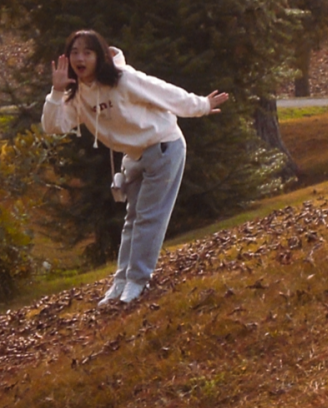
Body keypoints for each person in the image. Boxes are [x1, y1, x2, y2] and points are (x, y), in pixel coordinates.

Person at [42, 29, 229, 305]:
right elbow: (52, 126)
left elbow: (162, 92)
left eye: (87, 52)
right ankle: (121, 281)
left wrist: (200, 105)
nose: (80, 58)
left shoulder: (123, 80)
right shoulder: (78, 95)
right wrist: (57, 92)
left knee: (148, 217)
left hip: (164, 148)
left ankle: (138, 281)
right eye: (74, 52)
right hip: (133, 157)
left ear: (100, 56)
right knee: (132, 220)